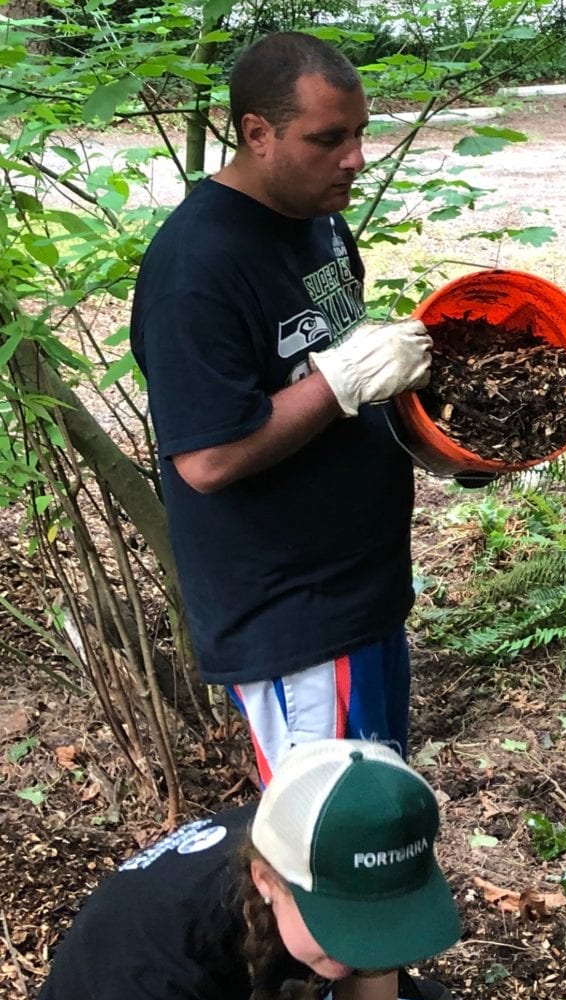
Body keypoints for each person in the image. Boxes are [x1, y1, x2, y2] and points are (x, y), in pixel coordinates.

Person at [129, 32, 432, 786]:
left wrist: (436, 438)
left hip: (360, 588)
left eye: (360, 133)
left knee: (376, 816)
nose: (355, 158)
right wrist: (337, 382)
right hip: (294, 618)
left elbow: (338, 377)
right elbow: (208, 458)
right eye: (328, 139)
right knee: (330, 849)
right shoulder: (197, 267)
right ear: (256, 133)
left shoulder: (319, 219)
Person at [28, 739, 504, 1000]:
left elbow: (369, 976)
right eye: (339, 925)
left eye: (379, 926)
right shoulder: (157, 972)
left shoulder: (321, 837)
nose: (360, 950)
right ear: (267, 880)